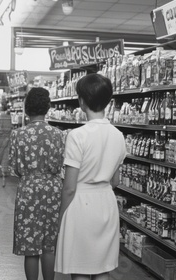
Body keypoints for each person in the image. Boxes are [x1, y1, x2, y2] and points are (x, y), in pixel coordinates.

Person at [54, 74, 127, 280]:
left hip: (80, 204)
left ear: (81, 101)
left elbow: (69, 187)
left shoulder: (77, 135)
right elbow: (115, 181)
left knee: (80, 268)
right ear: (108, 101)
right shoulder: (118, 135)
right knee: (101, 267)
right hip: (106, 202)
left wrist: (60, 217)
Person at [8, 87, 65, 280]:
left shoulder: (18, 134)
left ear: (26, 109)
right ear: (47, 108)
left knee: (30, 244)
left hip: (29, 189)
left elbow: (14, 167)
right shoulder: (58, 134)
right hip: (52, 190)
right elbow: (61, 164)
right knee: (49, 243)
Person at [0, 96, 12, 186]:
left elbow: (0, 128)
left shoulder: (2, 116)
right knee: (6, 157)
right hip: (8, 138)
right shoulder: (9, 116)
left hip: (2, 138)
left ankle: (4, 176)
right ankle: (4, 175)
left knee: (2, 157)